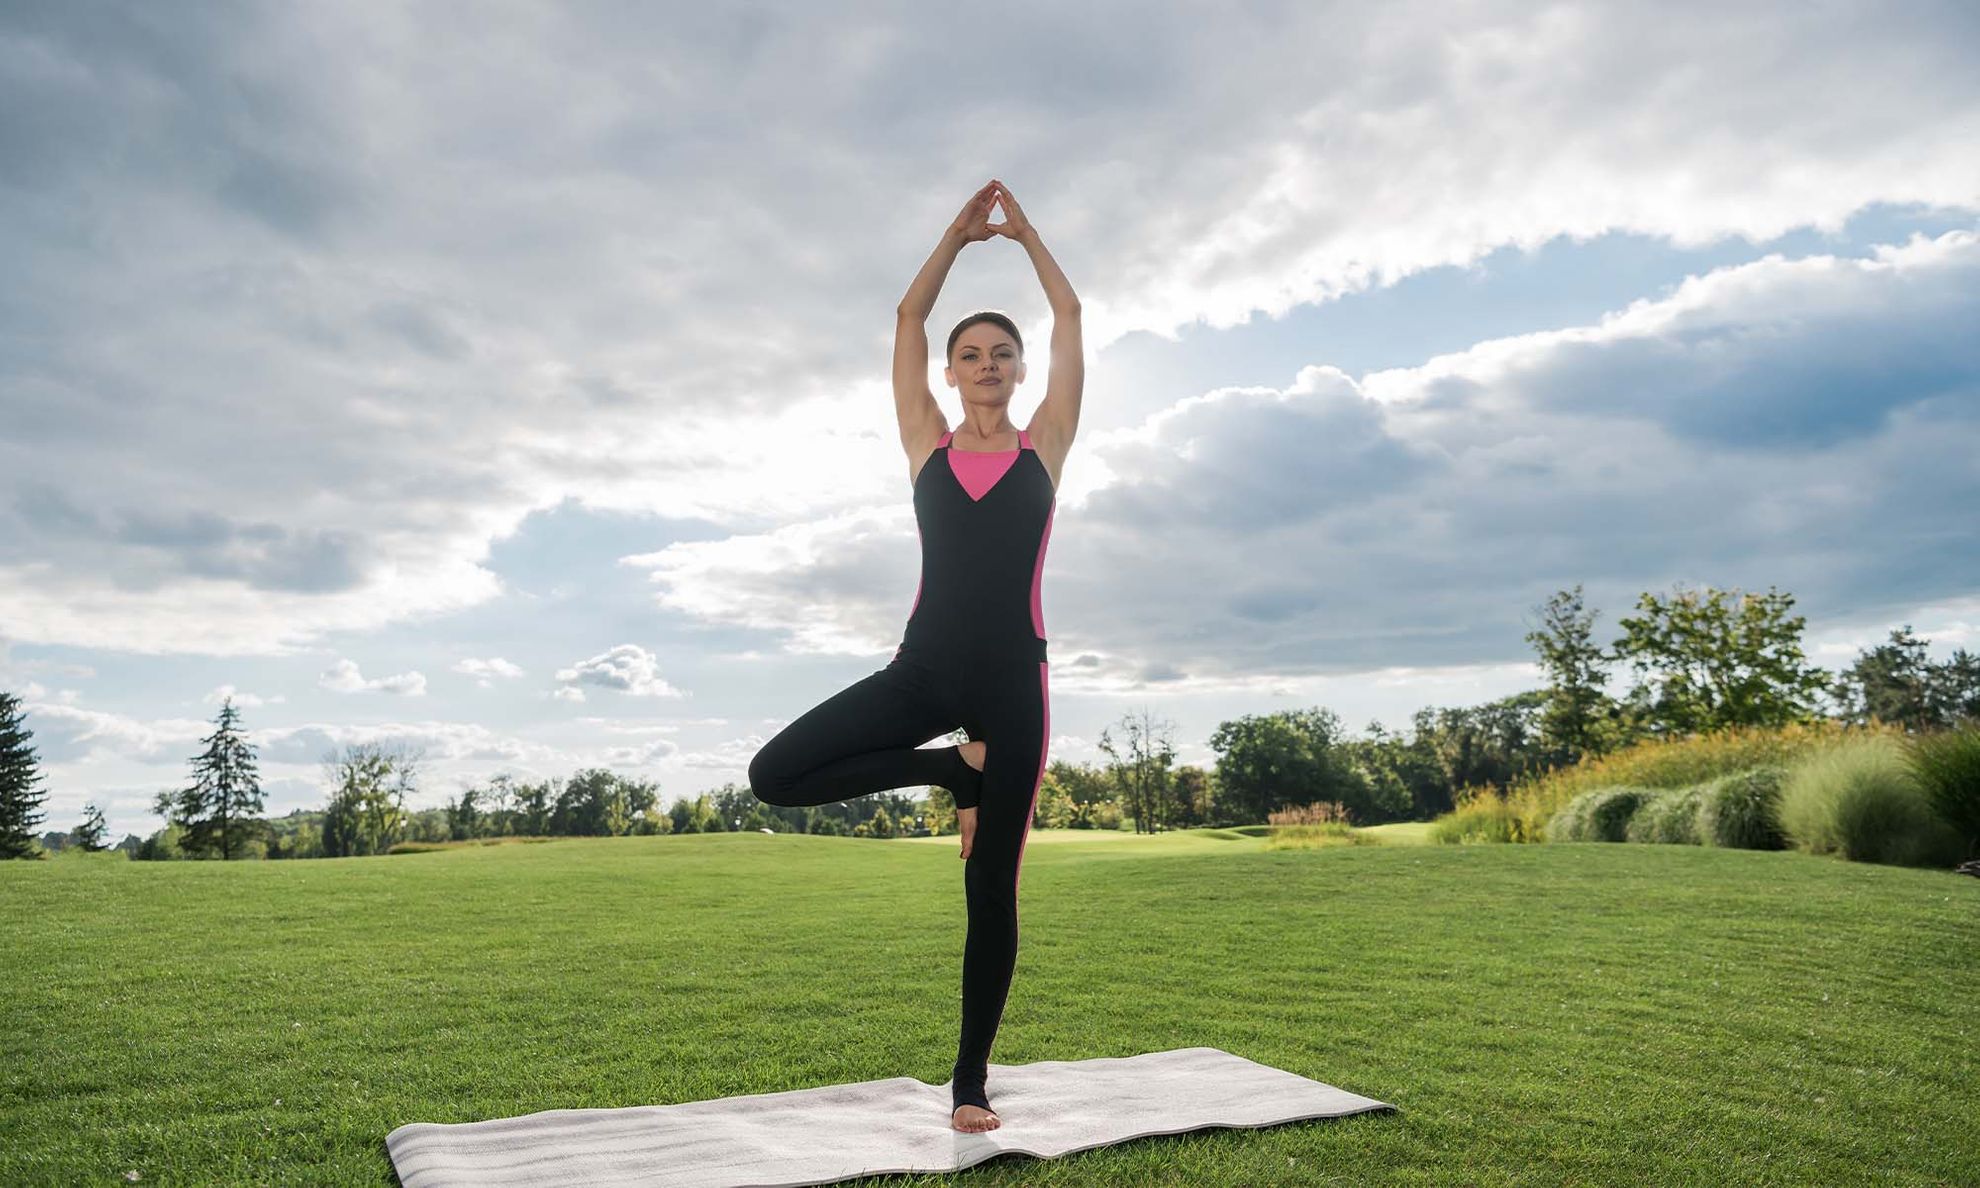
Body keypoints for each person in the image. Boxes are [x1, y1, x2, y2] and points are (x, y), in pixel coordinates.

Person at [749, 179, 1083, 1132]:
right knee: (774, 775)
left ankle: (970, 1080)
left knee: (993, 888)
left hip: (1015, 685)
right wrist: (957, 236)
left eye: (1001, 355)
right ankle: (949, 770)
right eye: (969, 355)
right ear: (948, 372)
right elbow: (906, 312)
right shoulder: (924, 443)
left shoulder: (1046, 448)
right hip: (923, 673)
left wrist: (1024, 238)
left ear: (1021, 371)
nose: (986, 365)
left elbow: (1069, 311)